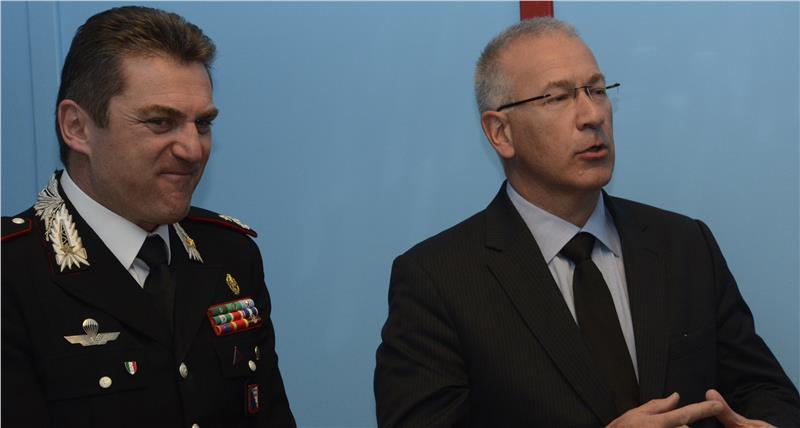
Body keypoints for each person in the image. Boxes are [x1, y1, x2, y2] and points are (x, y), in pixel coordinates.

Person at [374, 17, 800, 428]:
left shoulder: (685, 244)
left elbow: (767, 391)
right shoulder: (438, 281)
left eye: (597, 90)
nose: (592, 115)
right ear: (500, 132)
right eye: (556, 98)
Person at [1, 6, 295, 428]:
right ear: (77, 127)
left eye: (203, 124)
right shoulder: (12, 272)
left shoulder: (229, 254)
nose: (192, 150)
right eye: (160, 122)